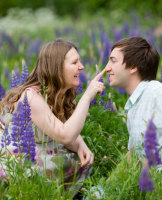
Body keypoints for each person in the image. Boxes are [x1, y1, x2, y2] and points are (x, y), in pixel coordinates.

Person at [0, 38, 106, 195]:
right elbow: (64, 135)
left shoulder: (59, 93)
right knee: (64, 162)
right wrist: (87, 96)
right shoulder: (31, 97)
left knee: (78, 159)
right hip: (14, 160)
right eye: (74, 62)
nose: (81, 67)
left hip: (37, 152)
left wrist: (80, 144)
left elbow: (61, 127)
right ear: (57, 67)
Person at [105, 36, 162, 171]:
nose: (107, 68)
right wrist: (104, 189)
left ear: (133, 67)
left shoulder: (161, 95)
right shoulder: (135, 103)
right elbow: (133, 156)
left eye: (113, 61)